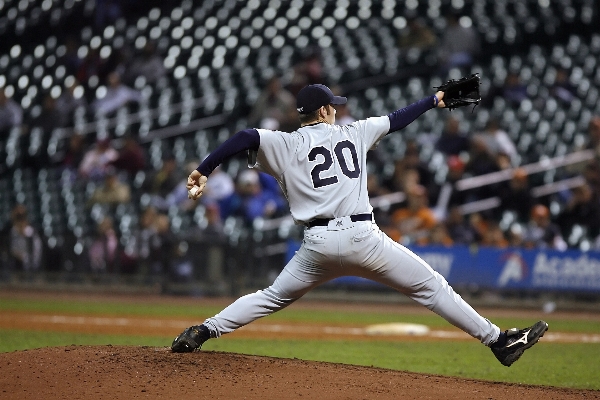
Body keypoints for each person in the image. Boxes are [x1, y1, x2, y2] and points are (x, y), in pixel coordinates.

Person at [172, 84, 548, 367]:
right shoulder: (355, 132)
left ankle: (203, 330)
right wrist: (435, 99)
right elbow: (398, 118)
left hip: (316, 245)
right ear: (322, 111)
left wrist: (203, 169)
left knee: (271, 297)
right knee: (432, 287)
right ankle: (498, 341)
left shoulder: (284, 143)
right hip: (362, 238)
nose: (337, 110)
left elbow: (244, 137)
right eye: (332, 106)